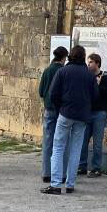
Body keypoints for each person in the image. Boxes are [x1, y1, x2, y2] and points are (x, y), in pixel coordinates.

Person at [42, 44, 98, 195]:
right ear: (83, 57)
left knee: (58, 147)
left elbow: (53, 94)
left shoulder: (63, 71)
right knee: (75, 150)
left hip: (65, 113)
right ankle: (70, 184)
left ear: (71, 56)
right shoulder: (89, 75)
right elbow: (95, 96)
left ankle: (55, 184)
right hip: (82, 116)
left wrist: (60, 108)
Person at [78, 52, 107, 177]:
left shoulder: (105, 77)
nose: (88, 64)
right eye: (88, 62)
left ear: (97, 63)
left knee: (97, 142)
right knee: (83, 140)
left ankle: (96, 168)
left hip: (99, 113)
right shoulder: (87, 76)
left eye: (91, 62)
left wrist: (98, 86)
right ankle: (82, 166)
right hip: (87, 112)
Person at [37, 45, 68, 182]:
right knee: (62, 142)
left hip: (49, 108)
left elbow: (41, 91)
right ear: (64, 58)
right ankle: (61, 173)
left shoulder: (47, 70)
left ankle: (46, 172)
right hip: (61, 109)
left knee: (48, 141)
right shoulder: (63, 71)